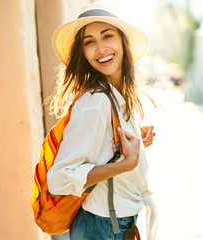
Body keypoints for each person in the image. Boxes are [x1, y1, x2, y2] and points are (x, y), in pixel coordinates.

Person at [46, 1, 157, 239]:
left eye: (107, 36)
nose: (100, 49)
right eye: (89, 42)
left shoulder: (115, 95)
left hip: (116, 223)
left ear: (122, 42)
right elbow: (58, 179)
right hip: (103, 227)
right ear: (82, 52)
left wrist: (133, 142)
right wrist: (124, 164)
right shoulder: (95, 102)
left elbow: (99, 151)